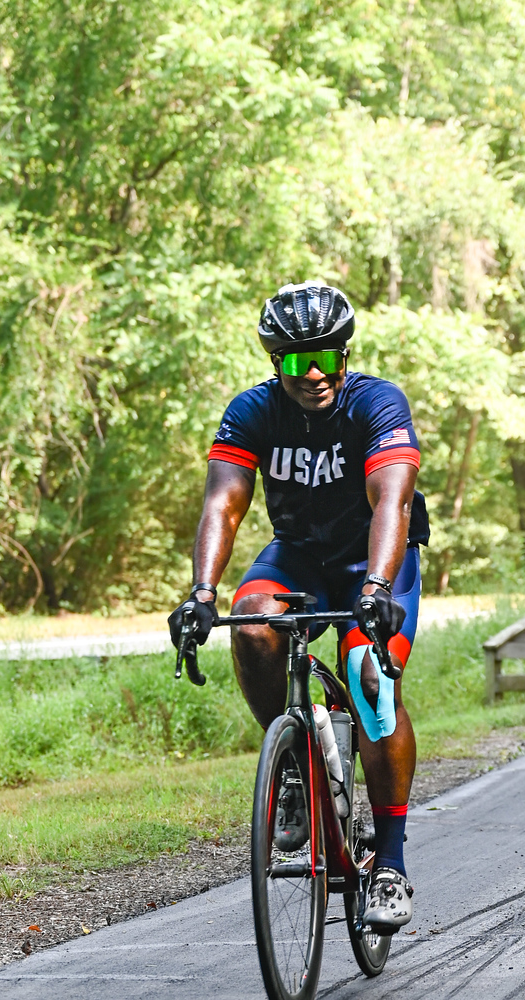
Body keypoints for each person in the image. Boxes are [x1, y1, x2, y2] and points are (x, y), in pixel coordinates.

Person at [168, 281, 428, 932]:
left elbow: (391, 502)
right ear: (273, 361)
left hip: (373, 562)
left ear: (345, 355)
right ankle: (294, 770)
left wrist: (376, 588)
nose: (313, 373)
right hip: (299, 556)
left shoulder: (377, 403)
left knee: (369, 680)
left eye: (326, 357)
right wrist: (202, 592)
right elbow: (223, 505)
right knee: (253, 625)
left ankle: (389, 864)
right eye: (295, 359)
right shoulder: (253, 411)